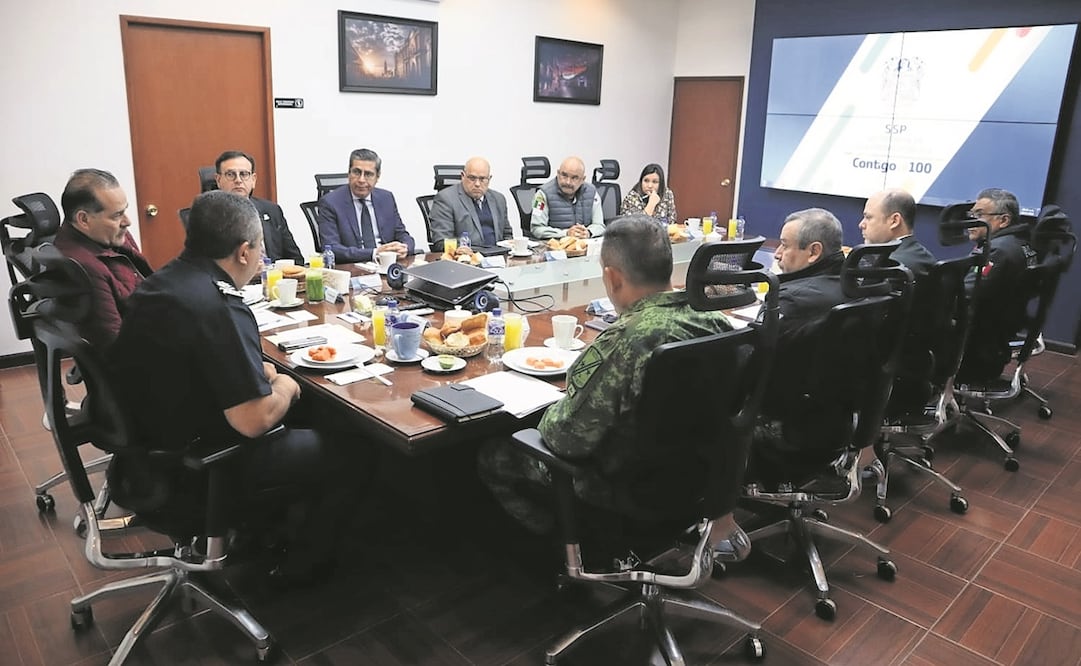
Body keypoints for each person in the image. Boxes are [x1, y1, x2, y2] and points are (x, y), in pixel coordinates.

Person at [108, 190, 362, 582]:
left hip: (146, 450)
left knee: (306, 408)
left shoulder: (165, 281)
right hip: (198, 463)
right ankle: (302, 569)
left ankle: (261, 533)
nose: (261, 257)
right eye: (260, 248)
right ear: (244, 252)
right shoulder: (220, 305)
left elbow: (200, 359)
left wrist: (261, 374)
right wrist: (289, 387)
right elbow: (252, 420)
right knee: (353, 448)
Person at [478, 214, 731, 537]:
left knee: (493, 455)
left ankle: (561, 548)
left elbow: (568, 439)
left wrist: (546, 412)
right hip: (696, 477)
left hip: (617, 483)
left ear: (612, 278)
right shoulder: (713, 320)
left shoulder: (626, 340)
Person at [749, 208, 849, 482]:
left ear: (814, 252)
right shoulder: (854, 286)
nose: (777, 254)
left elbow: (749, 364)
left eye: (784, 245)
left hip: (783, 431)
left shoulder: (791, 302)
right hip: (835, 426)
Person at [54, 168, 153, 349]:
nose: (127, 221)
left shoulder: (110, 236)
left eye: (124, 211)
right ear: (83, 219)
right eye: (117, 215)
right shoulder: (86, 267)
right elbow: (116, 345)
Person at [958, 187, 1037, 380]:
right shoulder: (1023, 244)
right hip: (997, 339)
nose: (971, 220)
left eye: (979, 214)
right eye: (971, 214)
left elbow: (964, 294)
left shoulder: (997, 252)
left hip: (977, 347)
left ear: (1004, 220)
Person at [318, 148, 415, 264]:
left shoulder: (386, 198)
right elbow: (331, 248)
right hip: (353, 268)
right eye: (357, 172)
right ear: (349, 173)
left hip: (387, 265)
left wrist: (405, 247)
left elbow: (402, 233)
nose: (361, 180)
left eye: (368, 174)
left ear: (377, 177)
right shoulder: (330, 203)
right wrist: (374, 253)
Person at [214, 150, 303, 263]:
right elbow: (208, 268)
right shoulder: (209, 217)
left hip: (274, 277)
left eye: (244, 174)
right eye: (230, 174)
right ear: (218, 180)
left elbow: (296, 259)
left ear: (253, 180)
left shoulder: (271, 210)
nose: (238, 180)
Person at [429, 157, 514, 253]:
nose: (477, 184)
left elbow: (507, 234)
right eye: (472, 178)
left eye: (482, 179)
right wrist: (460, 250)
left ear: (489, 179)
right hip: (467, 259)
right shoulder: (446, 199)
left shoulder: (498, 199)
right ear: (462, 176)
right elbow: (441, 241)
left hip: (499, 258)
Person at [859, 188, 935, 279]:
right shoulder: (926, 258)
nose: (861, 225)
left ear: (894, 221)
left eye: (868, 217)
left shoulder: (889, 267)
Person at [529, 156, 605, 240]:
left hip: (583, 247)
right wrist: (566, 233)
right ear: (558, 173)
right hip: (555, 248)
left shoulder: (592, 193)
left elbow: (599, 225)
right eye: (564, 175)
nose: (568, 182)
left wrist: (588, 232)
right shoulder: (541, 195)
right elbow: (537, 229)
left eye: (574, 178)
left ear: (582, 179)